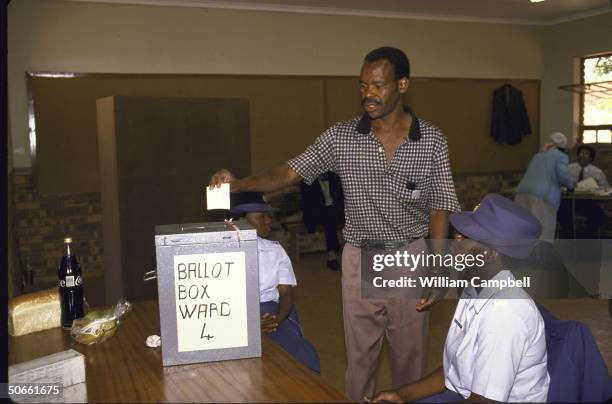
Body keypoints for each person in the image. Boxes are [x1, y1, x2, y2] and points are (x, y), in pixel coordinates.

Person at [210, 46, 460, 400]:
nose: (368, 94)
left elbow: (440, 207)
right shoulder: (341, 137)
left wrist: (436, 267)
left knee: (409, 358)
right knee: (360, 359)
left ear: (402, 85)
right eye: (362, 86)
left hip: (409, 256)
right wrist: (238, 184)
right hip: (359, 257)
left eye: (378, 85)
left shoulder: (432, 140)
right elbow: (285, 172)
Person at [367, 194, 550, 403]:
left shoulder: (504, 314)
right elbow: (455, 368)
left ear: (490, 254)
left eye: (467, 235)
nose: (456, 238)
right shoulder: (475, 287)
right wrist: (403, 395)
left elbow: (484, 401)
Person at [229, 192, 321, 373]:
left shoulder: (275, 251)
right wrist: (248, 322)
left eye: (268, 215)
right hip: (234, 314)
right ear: (239, 221)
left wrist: (275, 320)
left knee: (305, 359)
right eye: (261, 216)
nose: (268, 220)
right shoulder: (221, 253)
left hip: (272, 312)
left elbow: (286, 294)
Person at [515, 131, 573, 242]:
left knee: (523, 228)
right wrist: (570, 185)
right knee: (543, 230)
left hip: (522, 193)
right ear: (563, 147)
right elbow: (563, 176)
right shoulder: (560, 156)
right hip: (543, 196)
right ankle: (541, 258)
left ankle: (522, 256)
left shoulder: (538, 155)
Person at [558, 144, 609, 238]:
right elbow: (559, 183)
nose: (582, 155)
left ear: (591, 158)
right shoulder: (568, 168)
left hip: (588, 202)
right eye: (580, 153)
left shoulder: (597, 172)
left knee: (600, 216)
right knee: (561, 213)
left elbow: (606, 189)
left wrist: (596, 190)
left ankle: (584, 235)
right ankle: (569, 235)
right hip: (569, 201)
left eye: (586, 154)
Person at [300, 171, 344, 270]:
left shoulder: (334, 178)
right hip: (316, 213)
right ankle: (332, 255)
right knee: (329, 222)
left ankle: (333, 254)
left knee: (332, 220)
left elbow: (341, 197)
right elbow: (306, 202)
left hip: (333, 211)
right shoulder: (308, 180)